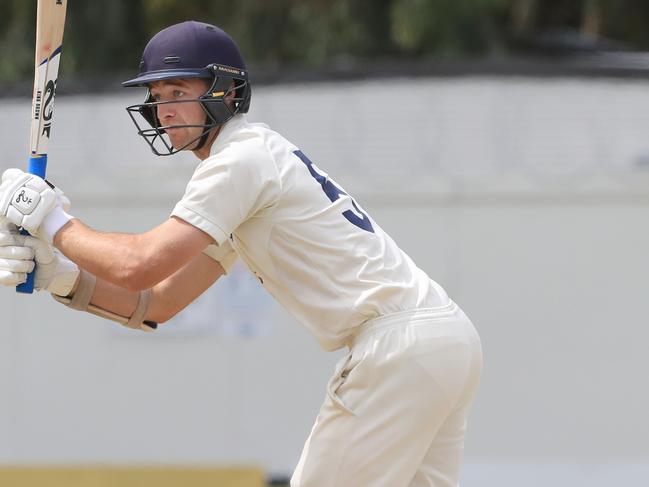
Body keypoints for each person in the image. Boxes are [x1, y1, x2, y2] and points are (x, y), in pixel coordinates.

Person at [0, 21, 482, 487]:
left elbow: (139, 264)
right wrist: (59, 278)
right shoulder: (252, 164)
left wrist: (52, 221)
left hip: (397, 349)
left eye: (177, 91)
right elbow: (156, 304)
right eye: (157, 96)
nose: (164, 109)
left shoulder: (239, 160)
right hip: (442, 342)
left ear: (225, 91)